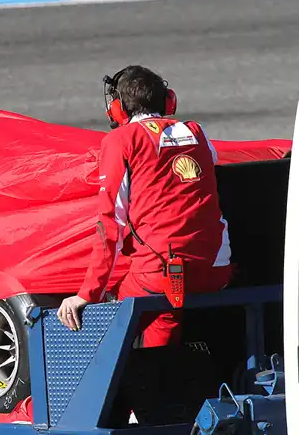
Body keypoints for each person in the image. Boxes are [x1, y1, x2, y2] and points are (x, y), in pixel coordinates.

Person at [57, 65, 233, 347]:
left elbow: (110, 223)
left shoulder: (121, 140)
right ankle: (161, 377)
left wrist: (87, 294)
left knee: (104, 331)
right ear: (168, 101)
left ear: (117, 109)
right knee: (165, 314)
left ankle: (125, 385)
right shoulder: (196, 131)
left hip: (160, 271)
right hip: (216, 268)